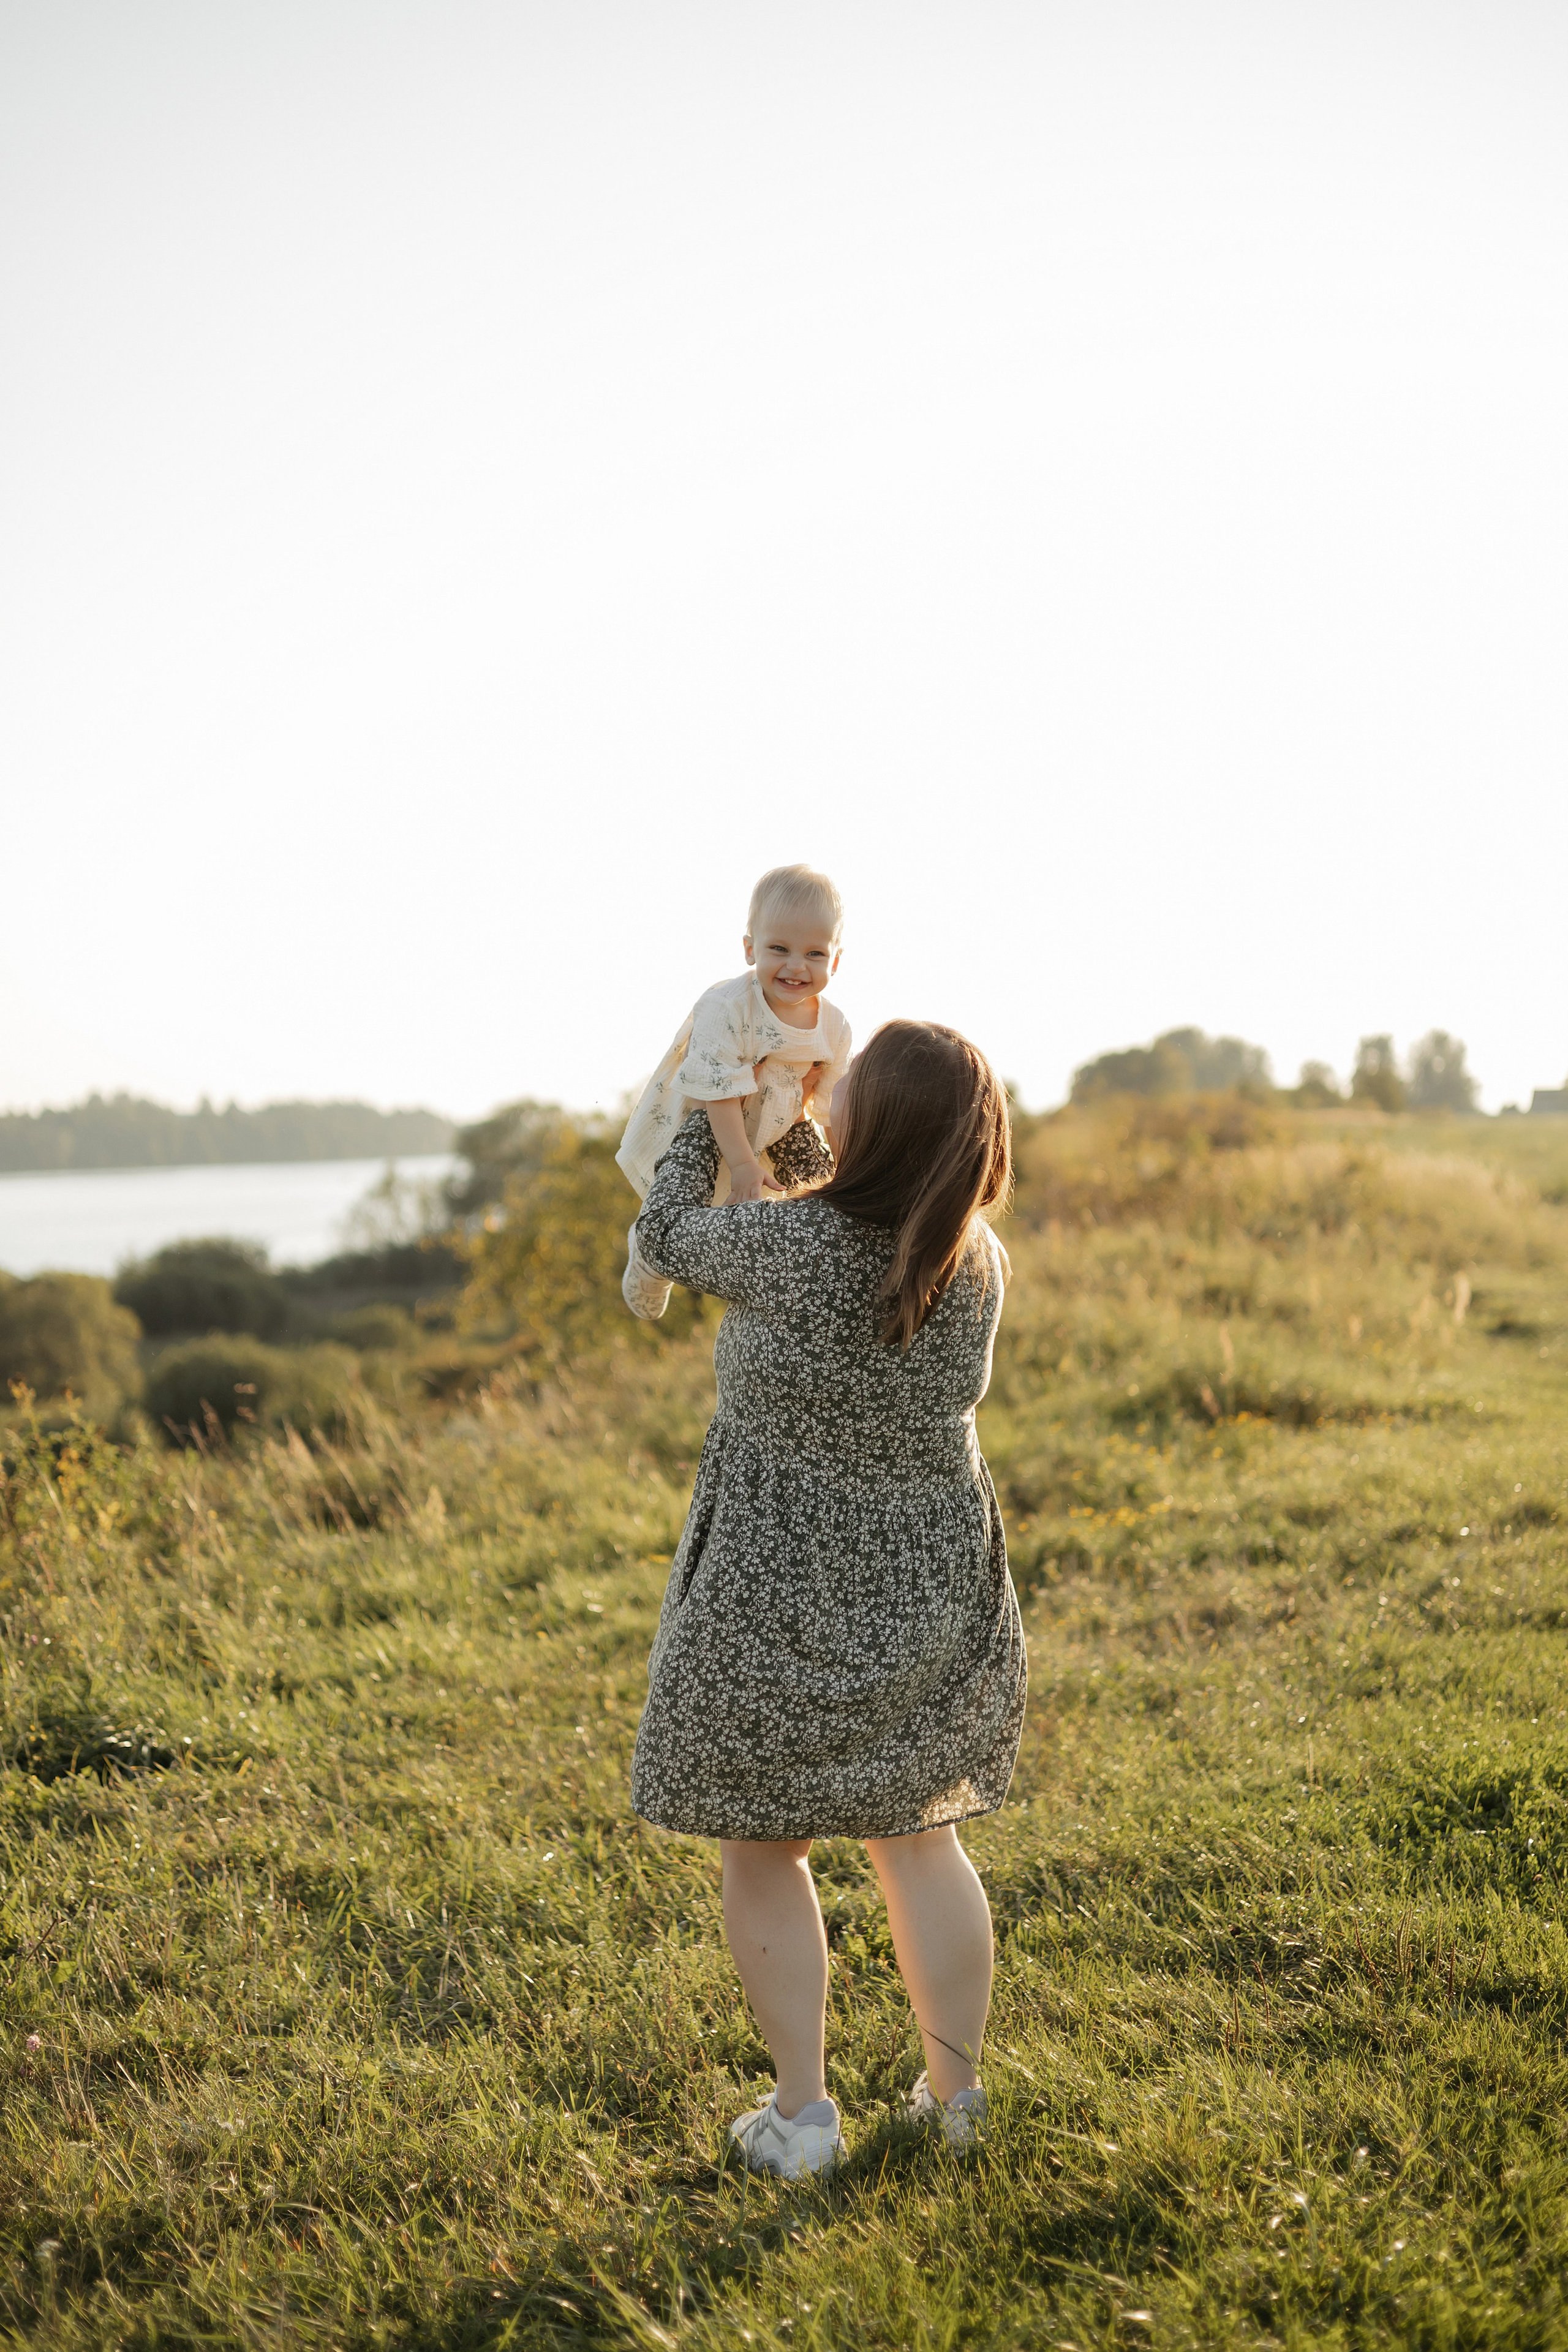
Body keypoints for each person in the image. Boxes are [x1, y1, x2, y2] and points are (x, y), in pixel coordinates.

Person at [629, 1020, 1027, 2176]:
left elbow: (667, 1235)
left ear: (883, 1119)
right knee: (920, 1840)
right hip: (928, 1576)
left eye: (848, 1080)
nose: (831, 1083)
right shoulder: (974, 1254)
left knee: (766, 1842)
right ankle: (956, 2103)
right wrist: (798, 1122)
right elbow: (859, 1206)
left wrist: (710, 1112)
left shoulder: (787, 1252)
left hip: (778, 1578)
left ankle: (802, 2117)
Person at [615, 864, 853, 1322]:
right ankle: (649, 1256)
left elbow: (830, 1107)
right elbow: (718, 1094)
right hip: (712, 1116)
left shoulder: (835, 1026)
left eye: (815, 954)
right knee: (695, 1201)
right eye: (779, 948)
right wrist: (744, 1164)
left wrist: (847, 1172)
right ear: (750, 949)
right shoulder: (728, 1007)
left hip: (784, 1120)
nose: (796, 966)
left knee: (821, 1191)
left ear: (836, 960)